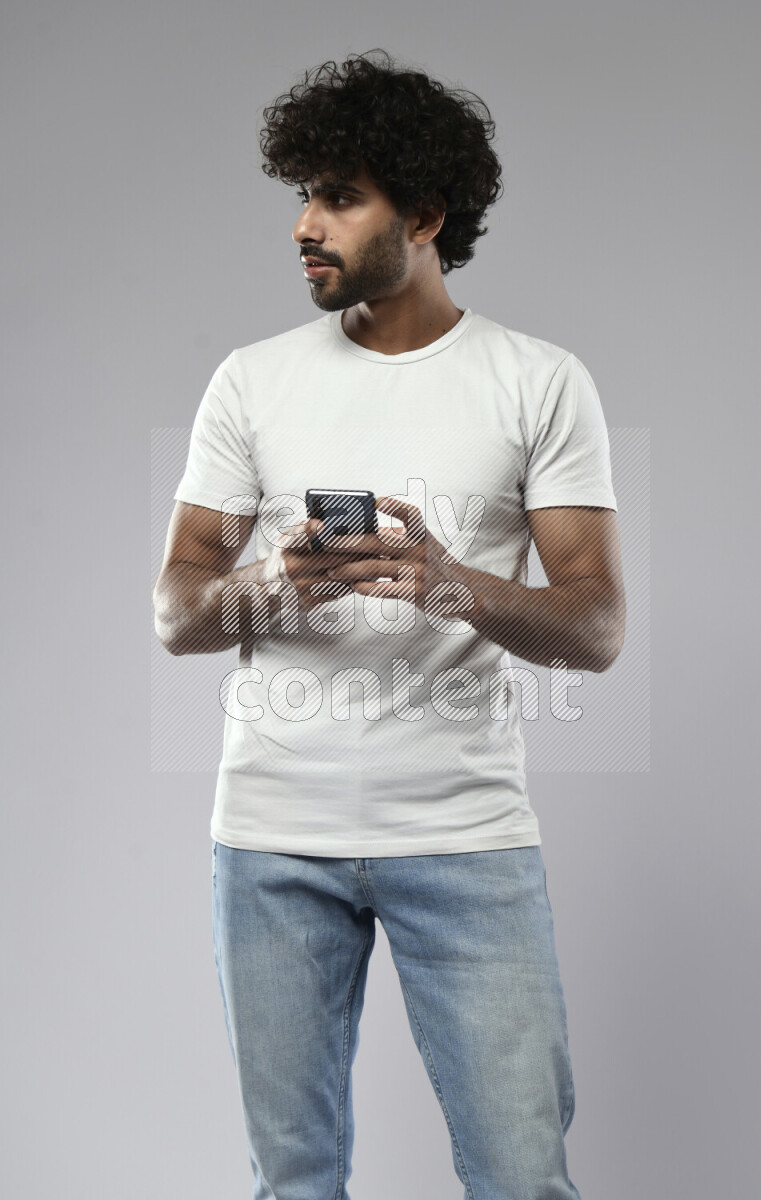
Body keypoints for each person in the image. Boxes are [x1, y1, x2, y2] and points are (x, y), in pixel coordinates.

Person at [153, 48, 625, 1200]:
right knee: (293, 1182)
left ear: (423, 213)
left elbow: (595, 623)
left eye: (336, 197)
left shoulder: (537, 381)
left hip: (464, 840)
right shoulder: (250, 381)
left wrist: (445, 580)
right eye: (301, 197)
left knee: (520, 1177)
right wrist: (273, 588)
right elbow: (176, 606)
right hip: (269, 840)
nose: (303, 226)